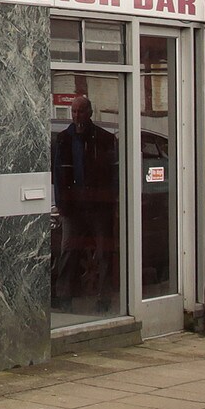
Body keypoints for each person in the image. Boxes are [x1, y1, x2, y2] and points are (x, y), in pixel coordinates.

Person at [52, 94, 119, 313]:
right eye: (73, 112)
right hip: (73, 207)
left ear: (90, 112)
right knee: (68, 251)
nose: (76, 116)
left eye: (80, 111)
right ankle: (64, 296)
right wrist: (62, 204)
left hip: (99, 206)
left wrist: (111, 201)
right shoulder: (64, 139)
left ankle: (104, 297)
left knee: (103, 252)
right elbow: (59, 175)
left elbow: (113, 174)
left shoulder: (103, 139)